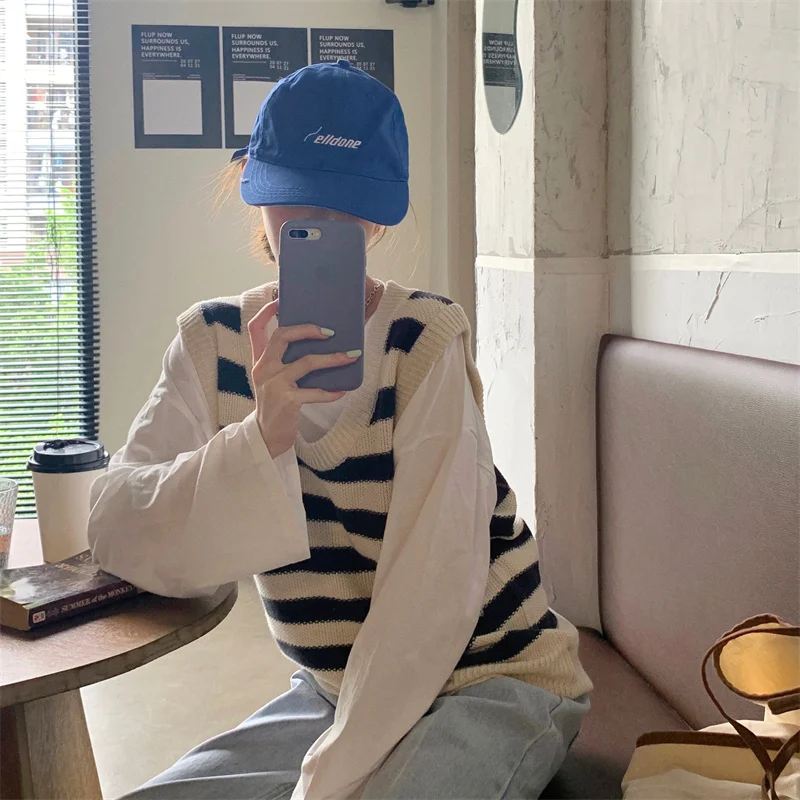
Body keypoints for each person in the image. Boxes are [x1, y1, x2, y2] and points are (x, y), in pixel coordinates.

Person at [88, 59, 592, 800]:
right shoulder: (209, 342)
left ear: (377, 218)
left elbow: (434, 594)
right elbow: (116, 525)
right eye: (296, 199)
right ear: (256, 193)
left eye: (345, 205)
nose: (318, 222)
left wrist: (326, 778)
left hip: (494, 678)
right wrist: (262, 435)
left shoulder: (423, 341)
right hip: (333, 689)